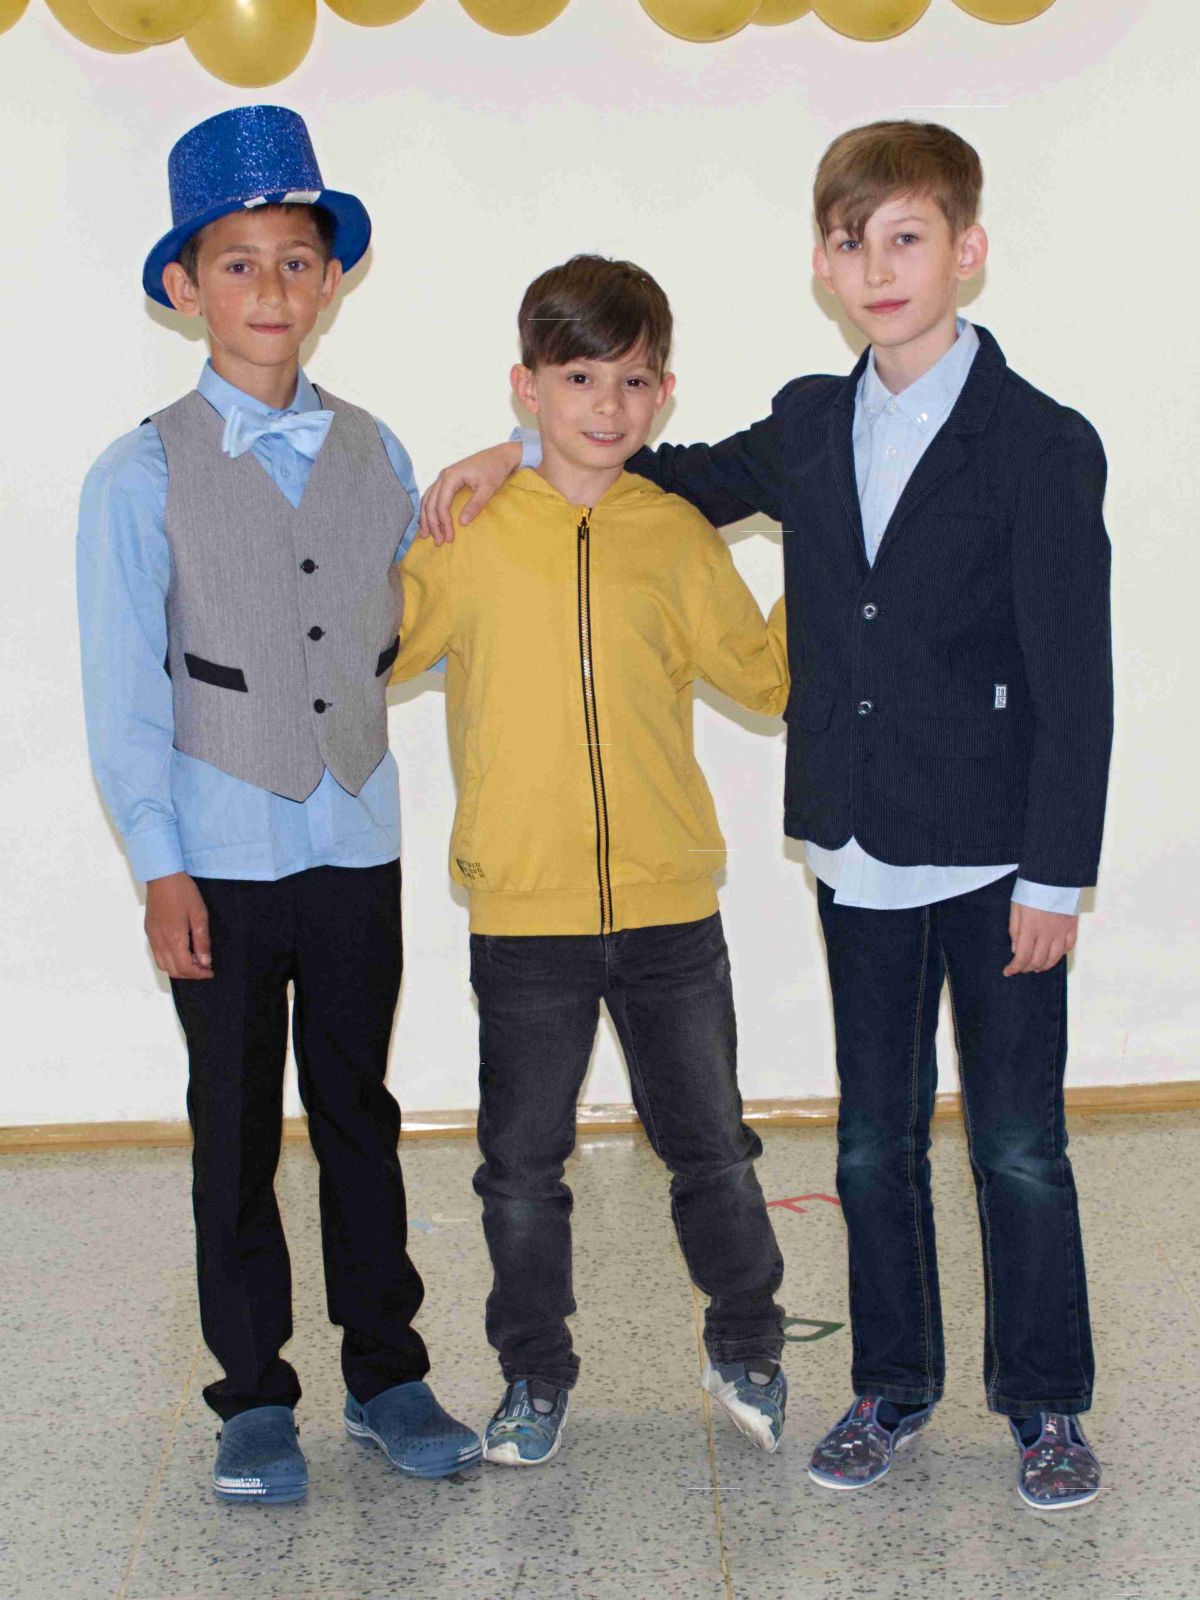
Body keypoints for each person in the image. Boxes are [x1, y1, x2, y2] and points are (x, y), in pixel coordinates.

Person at [417, 122, 1114, 1511]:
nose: (880, 267)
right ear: (823, 267)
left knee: (1019, 1144)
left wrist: (1058, 874)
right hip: (857, 848)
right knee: (870, 1145)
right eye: (853, 243)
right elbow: (650, 470)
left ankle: (1045, 1404)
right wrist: (510, 450)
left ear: (967, 250)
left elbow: (1074, 679)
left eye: (907, 238)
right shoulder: (808, 421)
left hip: (997, 858)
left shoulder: (1041, 441)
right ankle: (891, 1388)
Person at [77, 105, 480, 1505]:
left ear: (331, 281)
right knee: (235, 1128)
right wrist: (159, 864)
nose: (270, 288)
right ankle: (252, 1395)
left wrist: (506, 459)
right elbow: (125, 694)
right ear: (185, 286)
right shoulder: (137, 474)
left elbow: (418, 609)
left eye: (296, 261)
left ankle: (388, 1372)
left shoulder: (376, 449)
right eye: (238, 263)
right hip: (220, 854)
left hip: (354, 837)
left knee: (359, 1109)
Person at [392, 254, 790, 1467]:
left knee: (713, 1147)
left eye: (632, 381)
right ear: (528, 387)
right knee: (520, 1169)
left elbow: (765, 680)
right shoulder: (468, 531)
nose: (606, 405)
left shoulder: (673, 535)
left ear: (663, 394)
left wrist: (838, 560)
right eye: (578, 378)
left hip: (670, 912)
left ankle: (748, 1341)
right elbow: (376, 646)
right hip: (524, 916)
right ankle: (534, 1372)